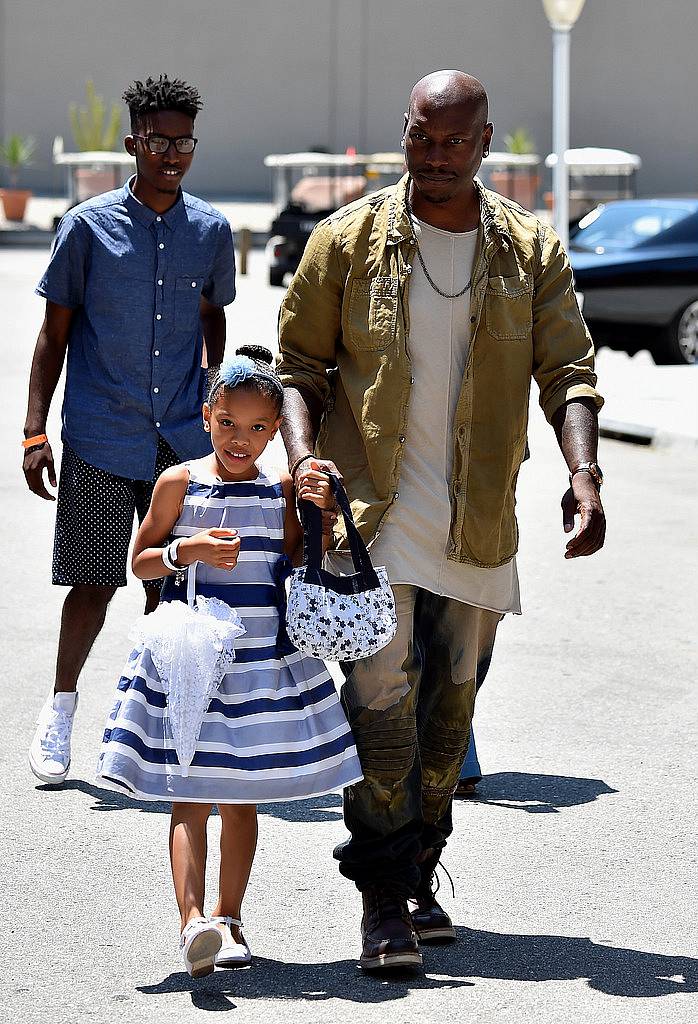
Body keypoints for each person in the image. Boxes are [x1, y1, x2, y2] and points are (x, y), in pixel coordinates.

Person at [278, 70, 606, 972]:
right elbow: (298, 367)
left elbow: (568, 371)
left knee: (446, 725)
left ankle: (421, 872)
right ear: (406, 132)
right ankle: (381, 895)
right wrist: (303, 457)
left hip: (478, 523)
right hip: (370, 519)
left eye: (454, 141)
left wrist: (584, 473)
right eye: (422, 137)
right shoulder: (345, 241)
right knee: (381, 712)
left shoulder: (530, 250)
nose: (434, 156)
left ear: (486, 141)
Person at [97, 347, 362, 977]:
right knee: (188, 795)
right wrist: (183, 550)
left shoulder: (279, 492)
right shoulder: (179, 483)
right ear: (208, 414)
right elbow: (140, 560)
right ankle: (193, 924)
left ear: (275, 431)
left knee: (242, 799)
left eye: (258, 429)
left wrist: (323, 518)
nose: (240, 440)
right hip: (194, 663)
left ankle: (232, 917)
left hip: (262, 663)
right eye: (228, 424)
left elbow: (299, 563)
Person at [25, 75, 236, 786]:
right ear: (133, 144)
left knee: (170, 587)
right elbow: (53, 337)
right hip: (99, 433)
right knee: (91, 584)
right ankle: (59, 716)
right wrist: (33, 431)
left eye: (184, 141)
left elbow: (213, 313)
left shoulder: (209, 231)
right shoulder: (86, 227)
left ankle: (157, 726)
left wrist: (211, 392)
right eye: (158, 140)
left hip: (178, 439)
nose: (172, 153)